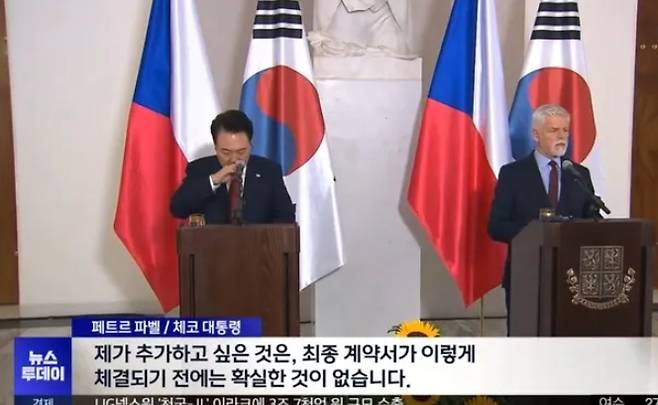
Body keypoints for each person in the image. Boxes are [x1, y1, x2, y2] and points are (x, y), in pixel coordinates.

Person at [488, 104, 599, 332]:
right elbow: (496, 226)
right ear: (536, 135)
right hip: (526, 276)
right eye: (553, 130)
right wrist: (535, 234)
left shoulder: (579, 174)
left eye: (565, 130)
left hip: (573, 279)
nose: (561, 136)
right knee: (526, 340)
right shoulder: (513, 174)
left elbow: (592, 219)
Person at [170, 109, 295, 224]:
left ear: (250, 146)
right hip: (211, 247)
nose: (234, 159)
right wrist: (213, 180)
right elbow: (178, 209)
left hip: (259, 246)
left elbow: (286, 218)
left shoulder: (269, 171)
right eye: (226, 152)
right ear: (216, 148)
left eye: (241, 151)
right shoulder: (199, 169)